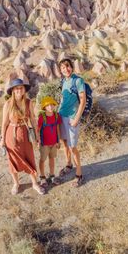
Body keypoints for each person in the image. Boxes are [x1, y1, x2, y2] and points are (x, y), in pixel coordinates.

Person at [0, 78, 45, 195]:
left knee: (30, 157)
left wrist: (37, 135)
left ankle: (35, 183)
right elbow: (4, 123)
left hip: (25, 134)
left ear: (24, 89)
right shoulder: (8, 104)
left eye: (21, 88)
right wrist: (2, 139)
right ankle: (16, 183)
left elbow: (33, 120)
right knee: (13, 160)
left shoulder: (29, 102)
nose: (19, 90)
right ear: (13, 91)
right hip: (11, 135)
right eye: (16, 88)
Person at [58, 58, 86, 187]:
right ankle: (69, 164)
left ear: (71, 67)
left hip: (71, 118)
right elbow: (63, 99)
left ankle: (79, 174)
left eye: (67, 66)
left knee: (72, 147)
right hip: (61, 116)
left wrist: (76, 119)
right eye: (63, 68)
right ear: (61, 70)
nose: (66, 69)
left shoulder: (78, 80)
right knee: (64, 142)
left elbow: (83, 101)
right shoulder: (64, 81)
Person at [37, 96, 62, 188]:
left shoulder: (56, 115)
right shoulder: (41, 117)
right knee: (42, 160)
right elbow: (38, 130)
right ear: (44, 107)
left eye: (52, 105)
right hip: (44, 143)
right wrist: (38, 141)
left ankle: (52, 175)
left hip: (54, 143)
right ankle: (42, 176)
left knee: (52, 159)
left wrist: (58, 141)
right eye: (48, 105)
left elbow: (58, 128)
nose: (50, 107)